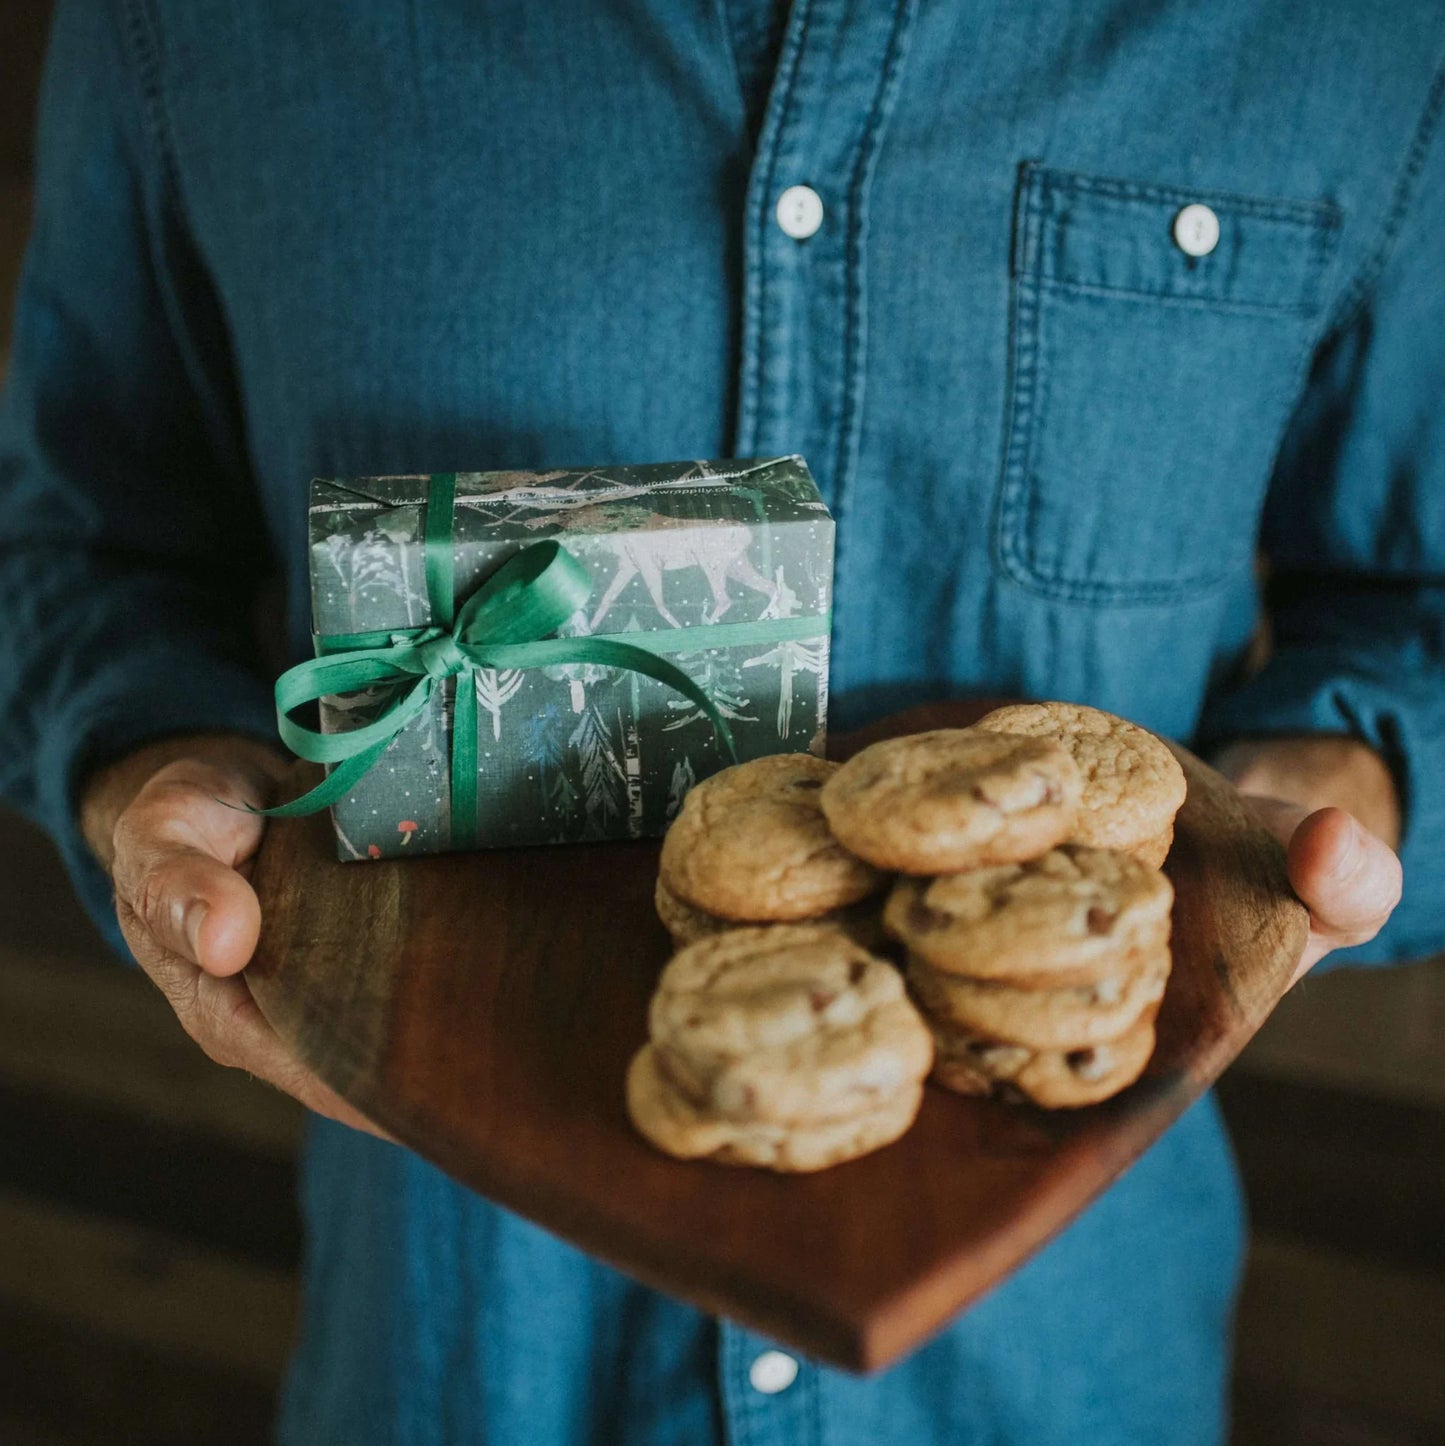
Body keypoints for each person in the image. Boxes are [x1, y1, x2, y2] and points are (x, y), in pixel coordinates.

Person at [1, 2, 1436, 1442]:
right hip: (455, 1346)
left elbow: (1415, 607)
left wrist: (1313, 800)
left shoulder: (1355, 37)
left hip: (1074, 1355)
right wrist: (151, 762)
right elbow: (75, 544)